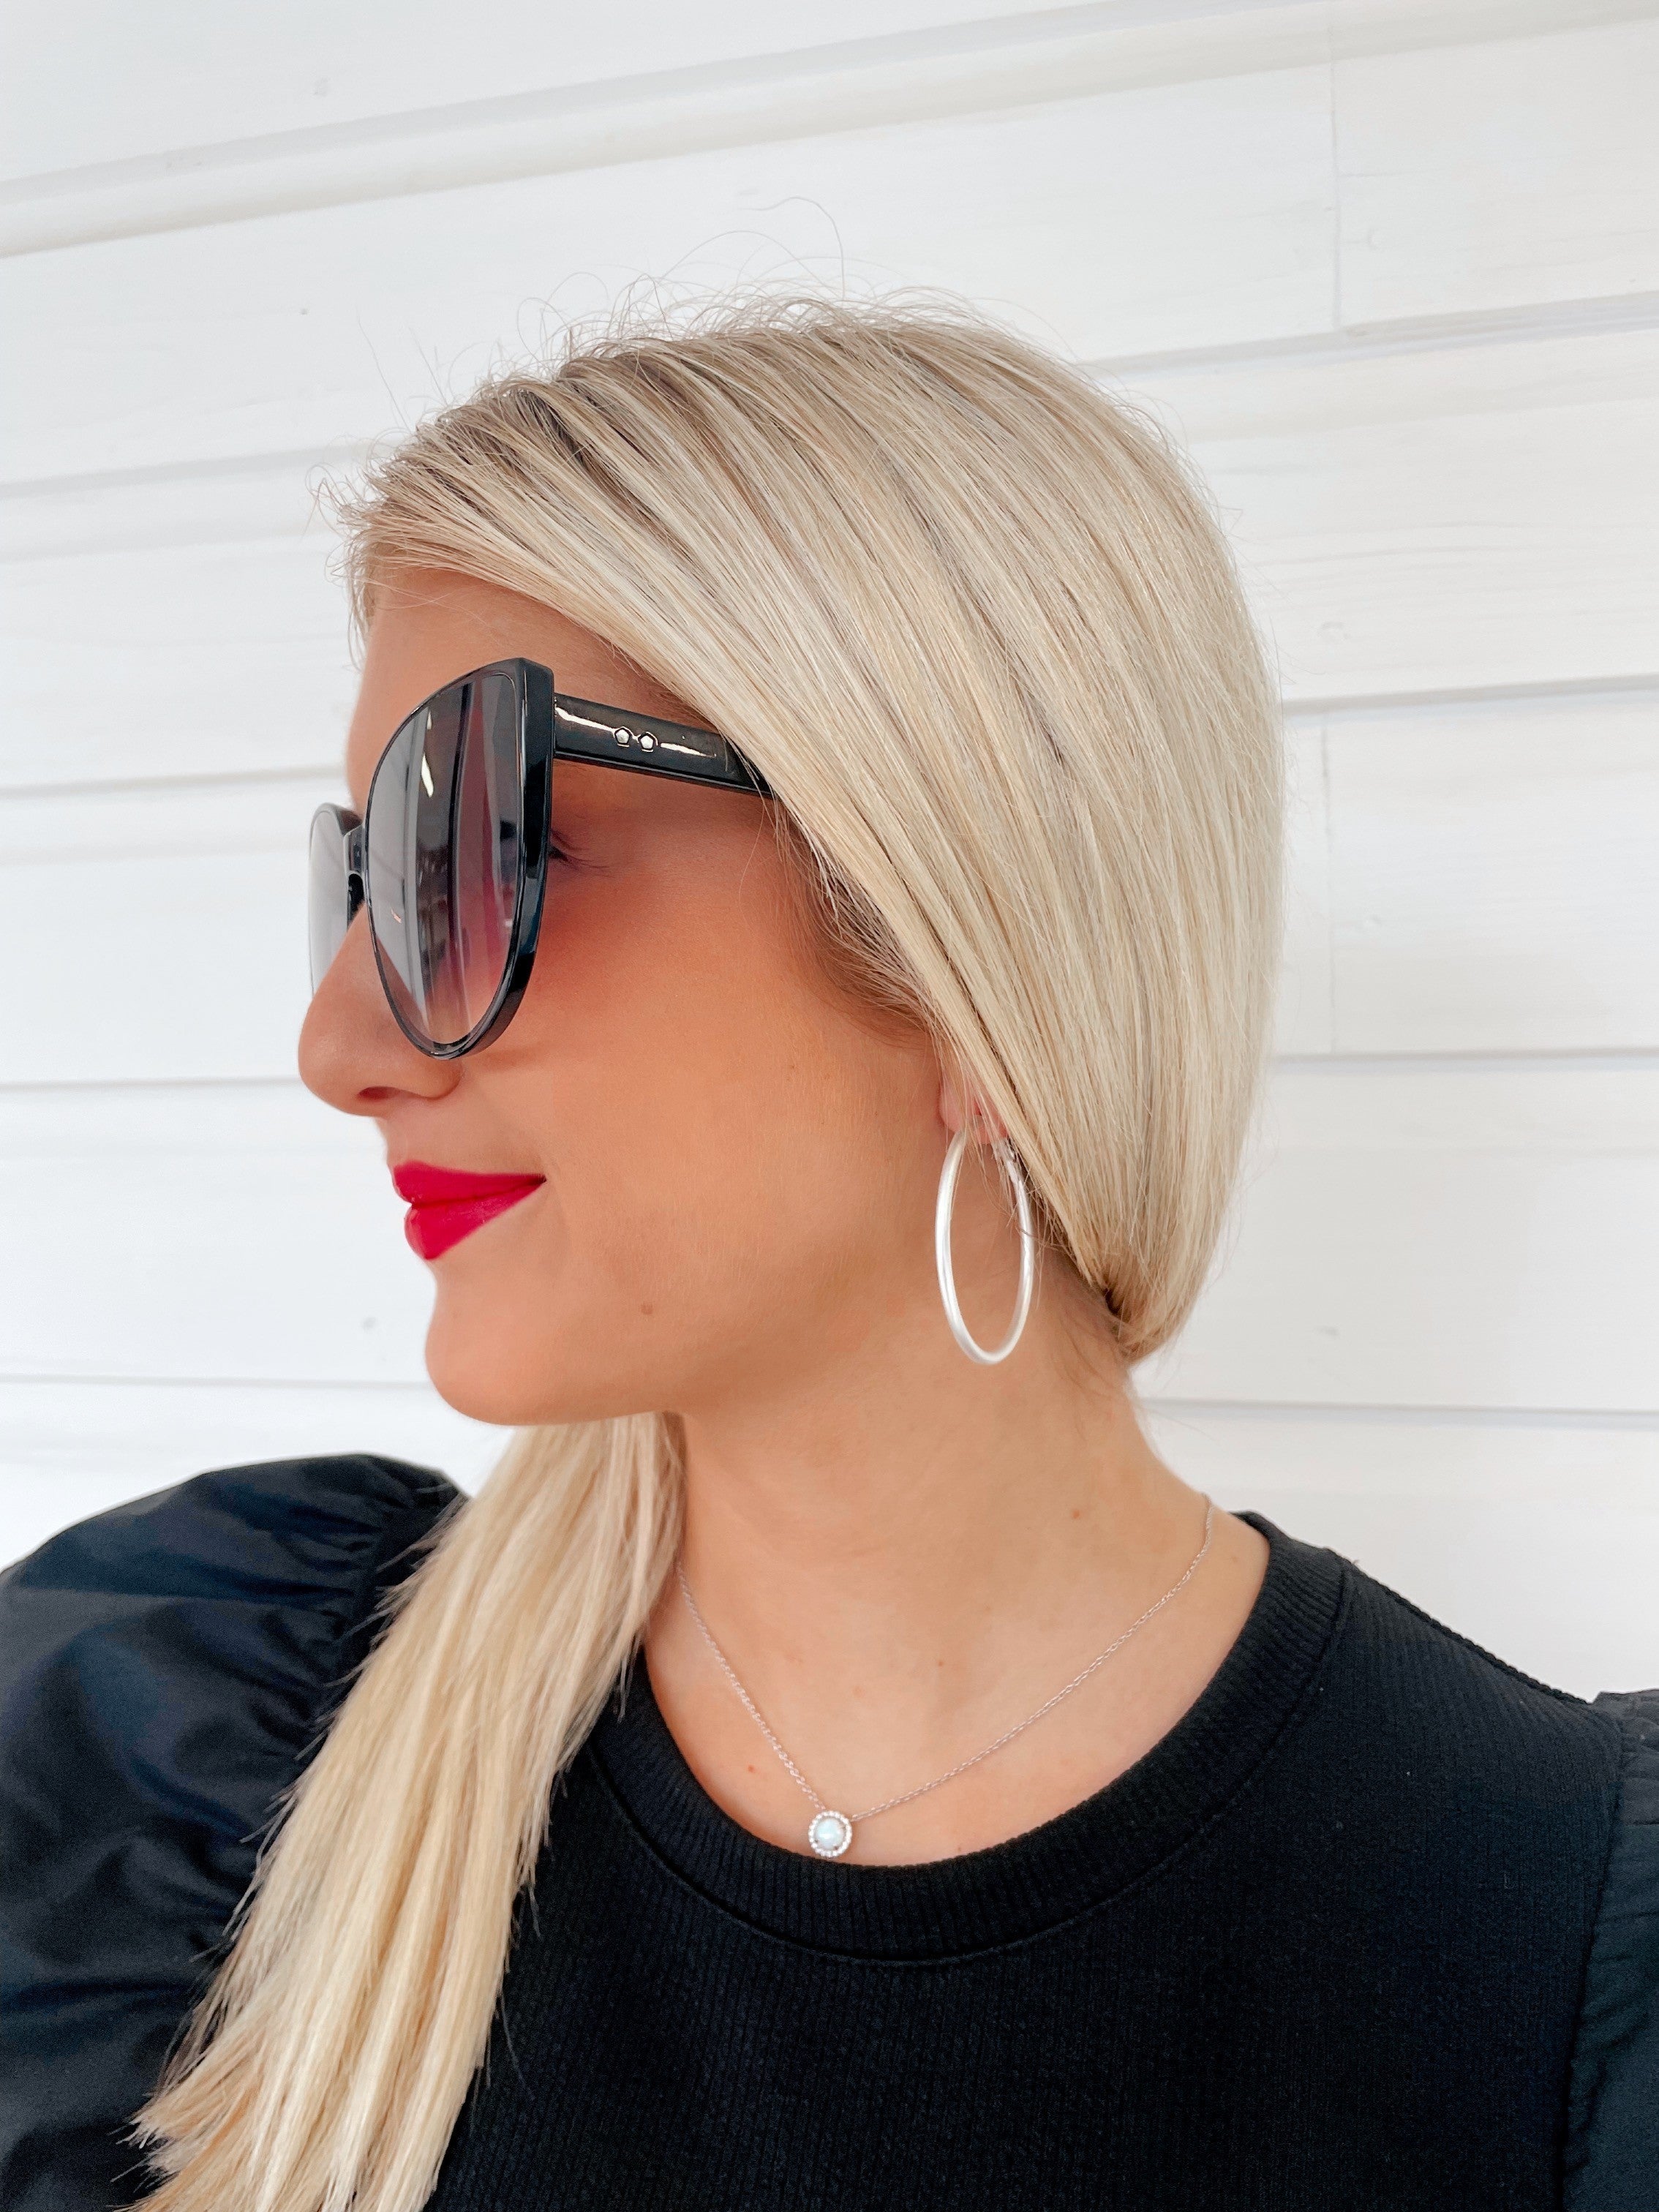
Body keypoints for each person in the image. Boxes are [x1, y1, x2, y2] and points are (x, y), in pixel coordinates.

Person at [2, 298, 1653, 2212]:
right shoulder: (194, 1767)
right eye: (363, 879)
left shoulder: (1554, 1954)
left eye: (479, 853)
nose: (338, 1046)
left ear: (970, 940)